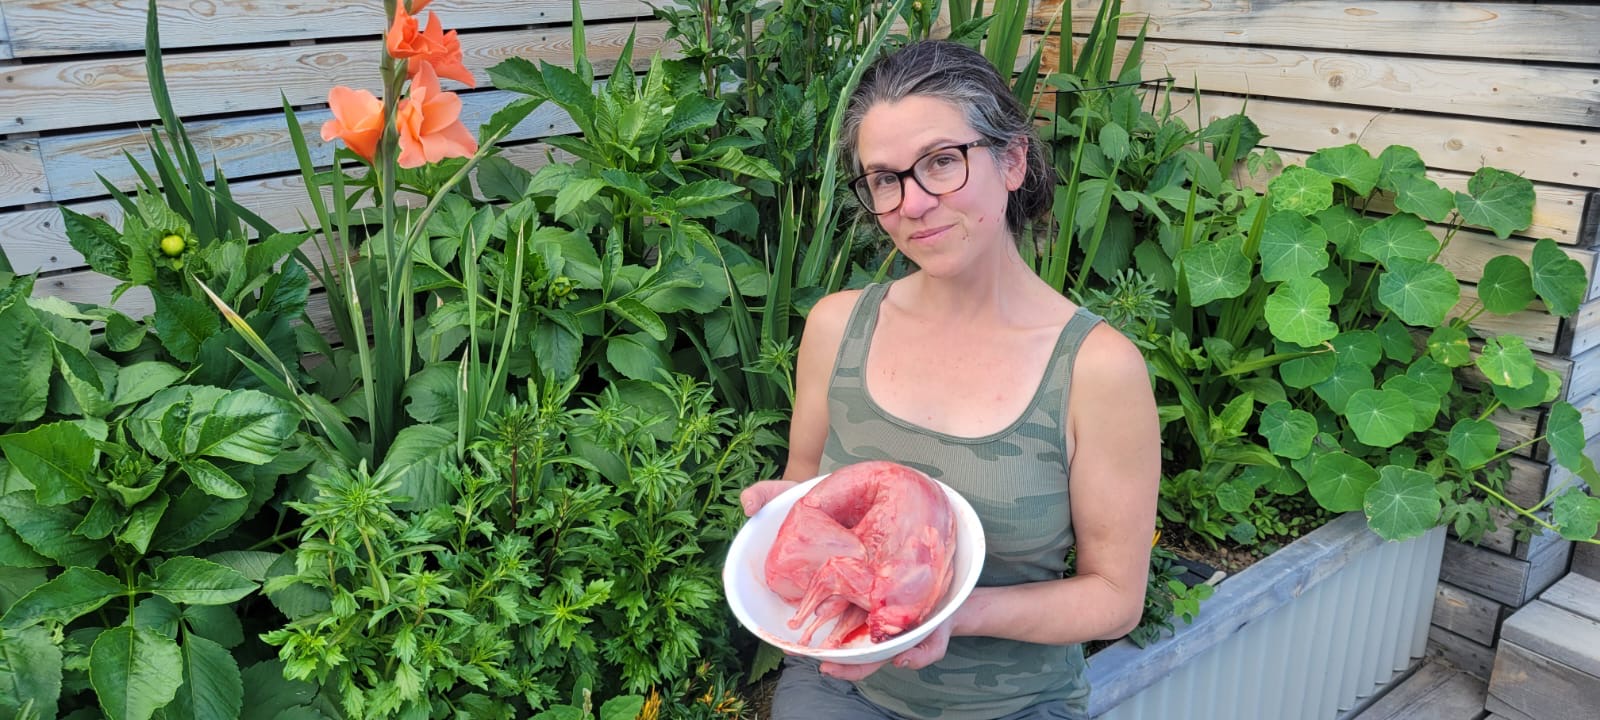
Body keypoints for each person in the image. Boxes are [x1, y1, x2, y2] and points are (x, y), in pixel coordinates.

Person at [738, 40, 1161, 720]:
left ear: (1013, 160)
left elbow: (1114, 597)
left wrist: (950, 612)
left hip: (1010, 704)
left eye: (941, 161)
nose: (913, 203)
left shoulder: (1096, 368)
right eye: (884, 178)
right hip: (843, 677)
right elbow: (810, 489)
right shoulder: (836, 327)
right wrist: (782, 513)